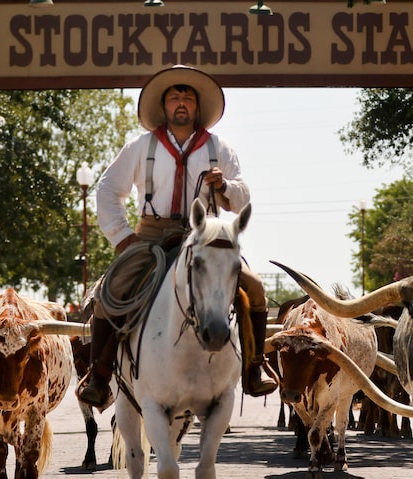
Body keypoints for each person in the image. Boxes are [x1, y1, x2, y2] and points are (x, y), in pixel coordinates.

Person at [80, 64, 278, 406]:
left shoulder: (219, 147)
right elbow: (108, 189)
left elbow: (243, 195)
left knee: (255, 287)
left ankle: (254, 367)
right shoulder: (141, 146)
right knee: (110, 290)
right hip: (152, 234)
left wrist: (225, 186)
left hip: (206, 234)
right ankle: (99, 374)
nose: (181, 101)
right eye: (175, 96)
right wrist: (122, 236)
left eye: (188, 96)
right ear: (165, 106)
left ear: (197, 107)